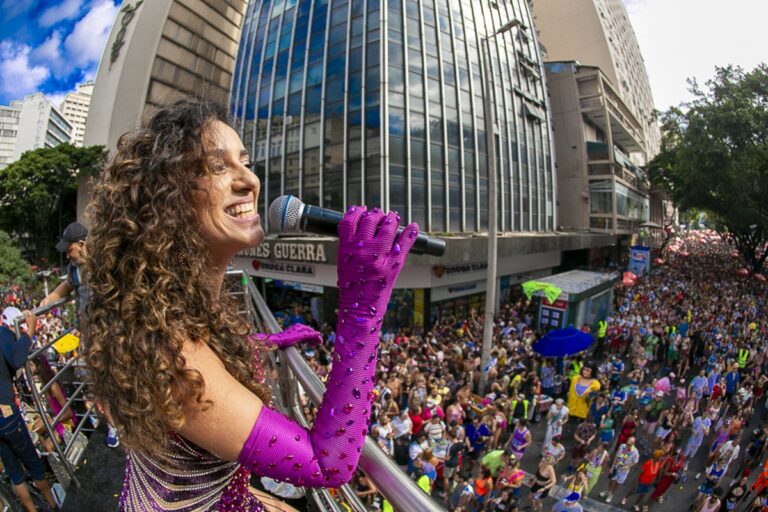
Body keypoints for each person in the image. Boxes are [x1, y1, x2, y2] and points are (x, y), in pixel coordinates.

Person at [83, 99, 420, 510]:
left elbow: (212, 371)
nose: (249, 181)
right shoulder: (173, 355)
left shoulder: (169, 309)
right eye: (218, 166)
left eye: (245, 161)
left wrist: (267, 341)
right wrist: (362, 309)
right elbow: (328, 465)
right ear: (166, 201)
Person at [0, 308, 59, 512]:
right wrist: (31, 329)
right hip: (6, 414)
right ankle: (53, 505)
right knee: (33, 464)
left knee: (14, 472)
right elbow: (15, 358)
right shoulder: (3, 333)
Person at [600, 436, 640, 504]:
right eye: (628, 440)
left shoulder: (635, 452)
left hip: (623, 470)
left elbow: (635, 461)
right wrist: (612, 466)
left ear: (633, 443)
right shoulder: (622, 446)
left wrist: (627, 466)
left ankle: (611, 494)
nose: (628, 442)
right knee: (611, 480)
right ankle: (609, 491)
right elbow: (616, 456)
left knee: (618, 483)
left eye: (630, 442)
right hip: (616, 466)